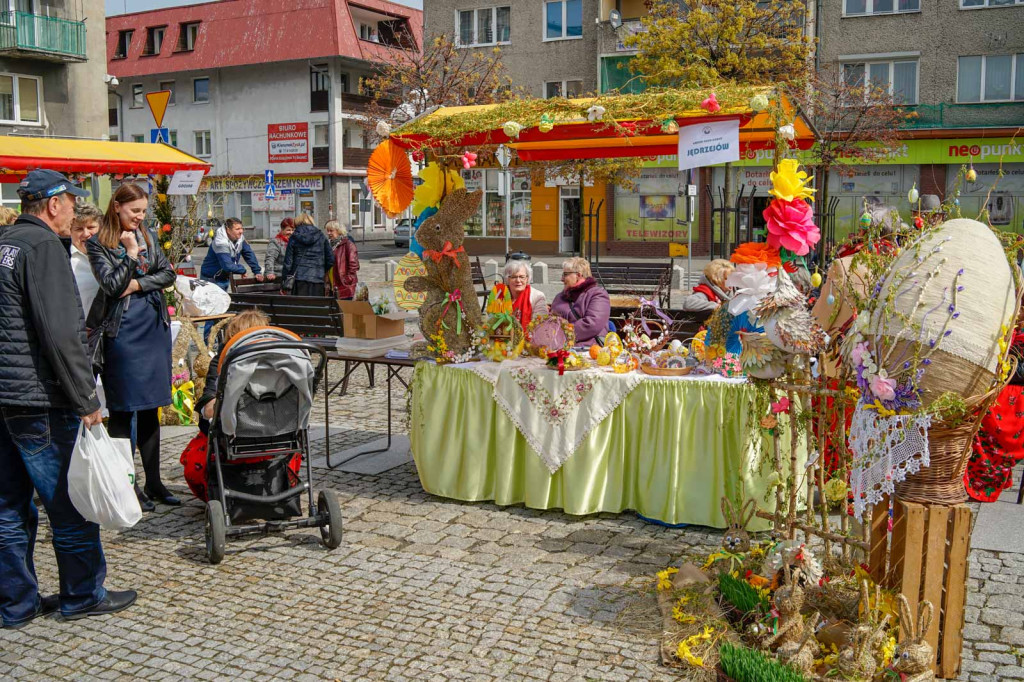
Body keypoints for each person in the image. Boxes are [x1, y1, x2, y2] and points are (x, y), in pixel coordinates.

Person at [0, 169, 136, 627]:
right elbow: (61, 335)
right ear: (52, 203)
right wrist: (86, 399)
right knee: (70, 503)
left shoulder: (4, 243)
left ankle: (16, 605)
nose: (75, 211)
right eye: (71, 202)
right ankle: (82, 595)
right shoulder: (43, 249)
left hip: (4, 397)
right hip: (39, 399)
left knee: (6, 508)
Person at [87, 183, 178, 512]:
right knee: (123, 411)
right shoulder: (99, 243)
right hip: (122, 334)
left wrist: (138, 283)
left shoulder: (149, 235)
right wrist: (128, 254)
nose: (140, 217)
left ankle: (154, 482)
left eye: (143, 211)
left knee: (151, 409)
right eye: (134, 211)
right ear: (117, 207)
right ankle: (127, 483)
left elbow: (168, 273)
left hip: (152, 330)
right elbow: (111, 286)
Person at [550, 257, 611, 347]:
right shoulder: (559, 297)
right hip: (558, 348)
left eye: (565, 274)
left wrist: (561, 334)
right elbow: (550, 322)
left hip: (588, 350)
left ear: (578, 275)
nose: (561, 279)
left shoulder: (598, 294)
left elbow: (591, 324)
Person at [200, 217, 263, 291]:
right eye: (237, 229)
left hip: (223, 277)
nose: (241, 231)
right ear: (228, 230)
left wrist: (257, 271)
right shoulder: (220, 242)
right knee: (216, 302)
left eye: (241, 228)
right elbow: (228, 266)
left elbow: (248, 253)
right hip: (211, 279)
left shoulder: (239, 238)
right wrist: (242, 270)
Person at [282, 213, 332, 297]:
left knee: (300, 307)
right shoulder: (321, 236)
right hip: (318, 279)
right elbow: (330, 259)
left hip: (299, 279)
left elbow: (288, 262)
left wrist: (284, 280)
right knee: (317, 308)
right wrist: (321, 269)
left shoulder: (294, 237)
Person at [70, 203, 103, 317]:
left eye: (91, 227)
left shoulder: (112, 256)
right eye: (79, 229)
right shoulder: (65, 261)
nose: (86, 234)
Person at [504, 259, 547, 327]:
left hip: (530, 336)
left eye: (522, 277)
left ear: (527, 279)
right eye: (514, 277)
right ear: (507, 279)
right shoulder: (500, 296)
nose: (518, 280)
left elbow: (540, 324)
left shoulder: (538, 296)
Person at [329, 220, 359, 300]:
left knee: (346, 310)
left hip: (344, 286)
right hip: (333, 284)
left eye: (331, 231)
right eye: (327, 231)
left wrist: (347, 280)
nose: (328, 233)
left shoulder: (348, 244)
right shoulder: (330, 245)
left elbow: (354, 265)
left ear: (339, 231)